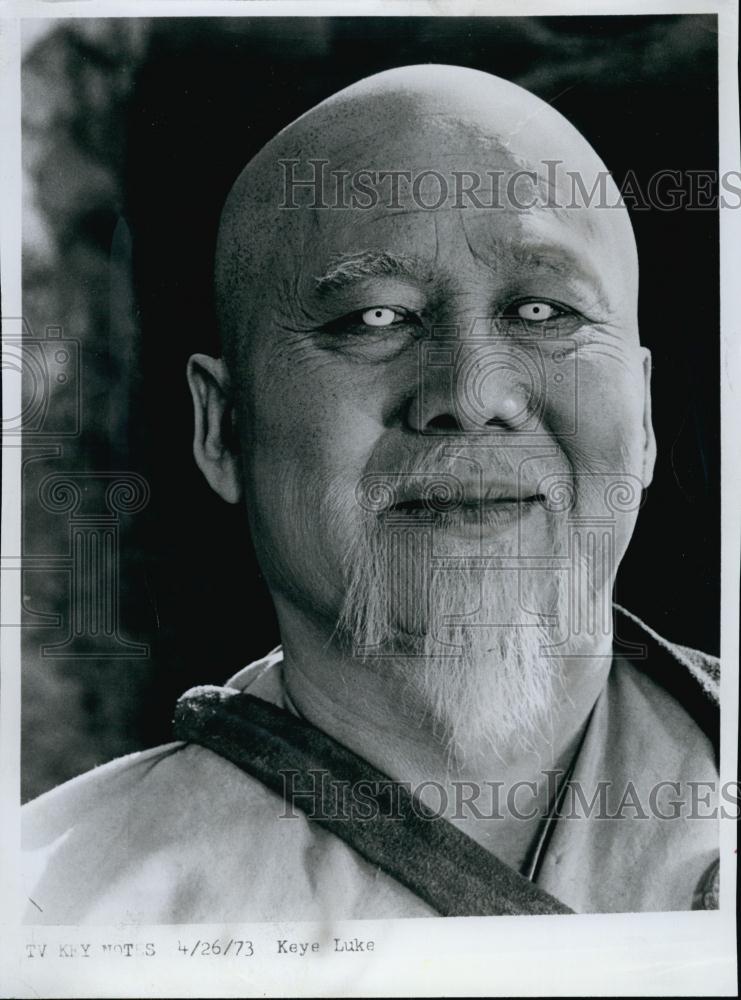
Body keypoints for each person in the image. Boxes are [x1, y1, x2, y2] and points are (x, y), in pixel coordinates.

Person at [22, 64, 719, 922]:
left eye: (542, 313)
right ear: (223, 428)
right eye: (375, 318)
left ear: (642, 418)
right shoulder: (49, 910)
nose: (470, 394)